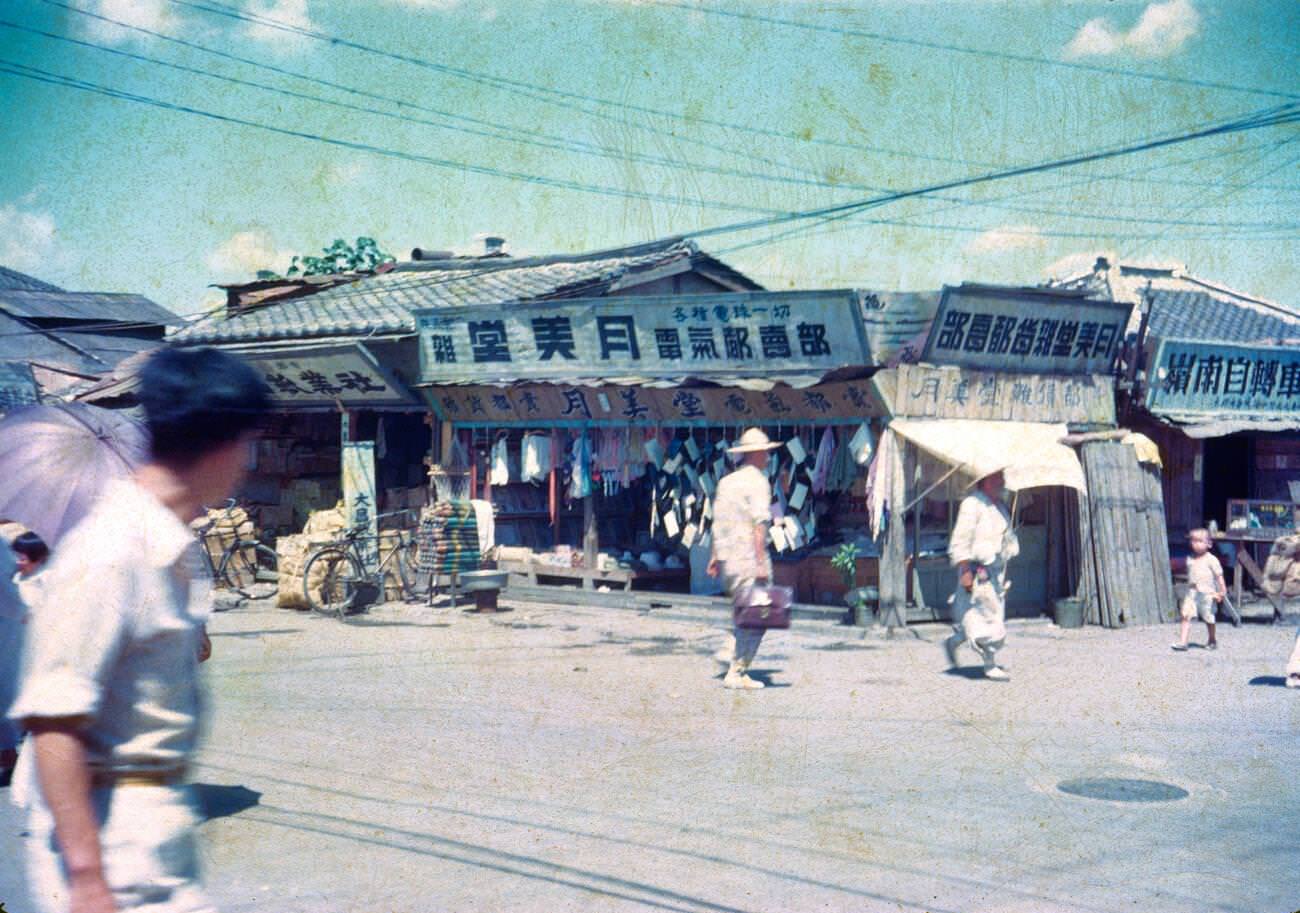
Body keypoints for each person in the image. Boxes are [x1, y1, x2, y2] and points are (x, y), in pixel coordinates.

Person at [9, 346, 270, 913]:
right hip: (109, 844)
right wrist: (86, 878)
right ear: (222, 443)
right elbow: (54, 725)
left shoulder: (165, 546)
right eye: (248, 445)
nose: (246, 465)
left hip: (154, 832)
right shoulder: (109, 553)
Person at [707, 427, 780, 690]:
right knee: (763, 615)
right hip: (749, 557)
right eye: (766, 453)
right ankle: (737, 670)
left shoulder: (727, 482)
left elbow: (718, 523)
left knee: (744, 609)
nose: (769, 458)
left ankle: (731, 651)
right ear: (757, 453)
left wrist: (715, 556)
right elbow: (759, 526)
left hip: (729, 559)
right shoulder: (758, 482)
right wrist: (760, 562)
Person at [944, 468, 1019, 681]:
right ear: (985, 479)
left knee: (986, 618)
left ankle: (954, 641)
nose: (1002, 481)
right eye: (997, 477)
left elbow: (1005, 538)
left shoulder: (1000, 507)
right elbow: (960, 540)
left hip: (995, 574)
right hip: (977, 573)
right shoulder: (972, 504)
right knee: (987, 620)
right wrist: (965, 570)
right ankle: (989, 665)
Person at [1172, 527, 1226, 652]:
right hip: (1192, 592)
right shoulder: (1190, 559)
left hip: (1207, 593)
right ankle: (1183, 642)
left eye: (1199, 541)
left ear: (1209, 544)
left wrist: (1222, 592)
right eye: (1193, 541)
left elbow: (1219, 576)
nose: (1195, 544)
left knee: (1208, 617)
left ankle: (1212, 639)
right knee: (1186, 615)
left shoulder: (1211, 559)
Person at [12, 529, 51, 609]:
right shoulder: (17, 576)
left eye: (22, 559)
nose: (17, 562)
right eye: (15, 556)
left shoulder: (47, 577)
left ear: (38, 559)